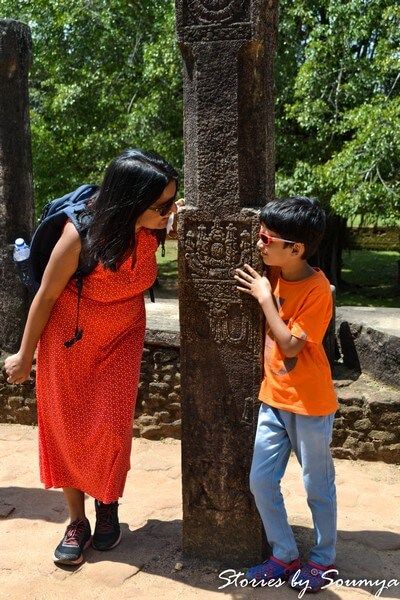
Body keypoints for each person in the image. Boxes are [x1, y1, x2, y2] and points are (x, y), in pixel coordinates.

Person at [4, 149, 181, 566]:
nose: (170, 211)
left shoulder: (153, 226)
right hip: (70, 340)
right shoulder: (77, 236)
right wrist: (24, 354)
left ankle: (107, 504)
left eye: (173, 201)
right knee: (67, 428)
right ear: (132, 201)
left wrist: (174, 218)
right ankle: (76, 521)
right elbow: (45, 296)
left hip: (122, 336)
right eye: (162, 205)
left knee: (110, 427)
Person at [234, 196, 338, 595]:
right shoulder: (274, 272)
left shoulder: (317, 289)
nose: (260, 244)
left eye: (266, 238)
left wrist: (264, 297)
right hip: (274, 398)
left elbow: (292, 346)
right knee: (261, 480)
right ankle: (284, 554)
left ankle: (324, 559)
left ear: (295, 249)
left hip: (310, 404)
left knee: (317, 484)